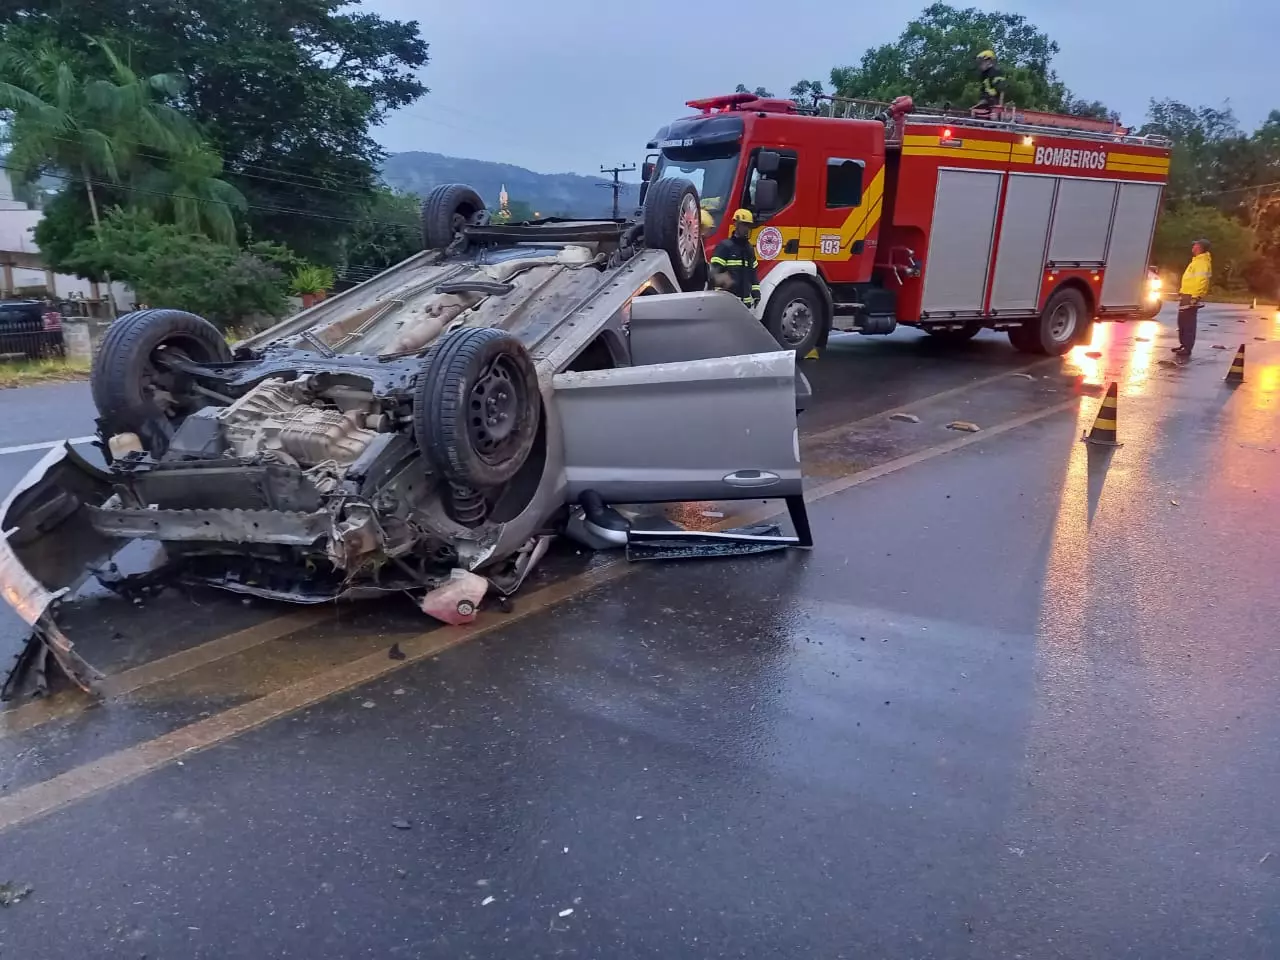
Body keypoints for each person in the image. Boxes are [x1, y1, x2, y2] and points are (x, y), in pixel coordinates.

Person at [709, 208, 761, 308]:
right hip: (727, 303)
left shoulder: (749, 248)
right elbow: (714, 274)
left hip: (745, 303)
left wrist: (756, 293)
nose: (746, 229)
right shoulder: (725, 247)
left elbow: (753, 274)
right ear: (736, 224)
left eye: (749, 225)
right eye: (744, 224)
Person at [1174, 239, 1212, 357]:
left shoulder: (1202, 263)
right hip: (1187, 294)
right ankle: (1184, 344)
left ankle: (1187, 347)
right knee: (1182, 322)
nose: (1193, 246)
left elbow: (1202, 281)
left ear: (1199, 248)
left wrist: (1196, 297)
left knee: (1188, 322)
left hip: (1192, 295)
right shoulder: (1196, 261)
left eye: (1195, 245)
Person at [974, 49, 1006, 115]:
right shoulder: (984, 74)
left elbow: (1001, 90)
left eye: (982, 62)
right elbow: (984, 91)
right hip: (986, 103)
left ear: (988, 61)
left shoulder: (995, 72)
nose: (980, 65)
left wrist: (999, 107)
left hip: (994, 104)